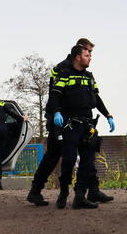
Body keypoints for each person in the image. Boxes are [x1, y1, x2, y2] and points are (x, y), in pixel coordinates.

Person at [27, 38, 115, 206]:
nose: (91, 56)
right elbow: (55, 95)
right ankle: (38, 190)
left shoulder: (86, 74)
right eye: (88, 52)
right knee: (54, 156)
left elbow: (94, 96)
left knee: (87, 153)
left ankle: (91, 190)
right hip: (61, 119)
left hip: (80, 119)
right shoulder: (62, 69)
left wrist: (107, 115)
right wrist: (56, 114)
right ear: (78, 53)